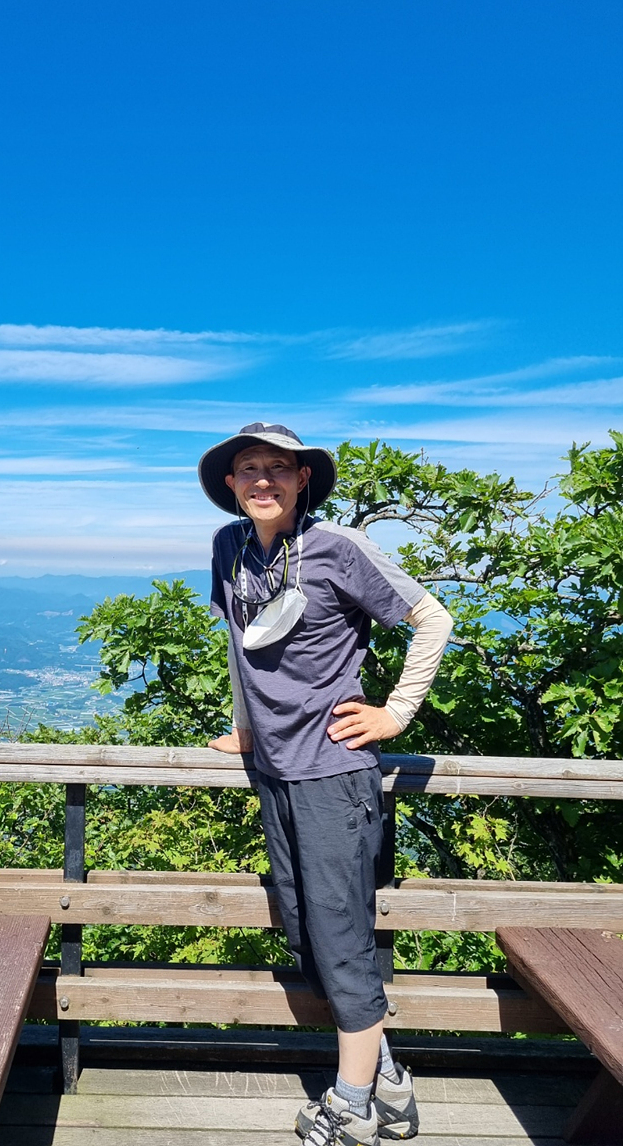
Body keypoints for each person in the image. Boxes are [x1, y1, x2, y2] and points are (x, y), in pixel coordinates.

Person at [198, 423, 453, 1146]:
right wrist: (246, 728)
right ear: (230, 482)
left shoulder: (338, 547)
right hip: (274, 770)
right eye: (250, 468)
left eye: (279, 468)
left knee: (340, 939)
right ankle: (389, 1084)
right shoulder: (229, 546)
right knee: (306, 931)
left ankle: (352, 1107)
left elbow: (432, 618)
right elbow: (239, 646)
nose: (264, 480)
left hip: (334, 774)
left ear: (302, 478)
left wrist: (395, 713)